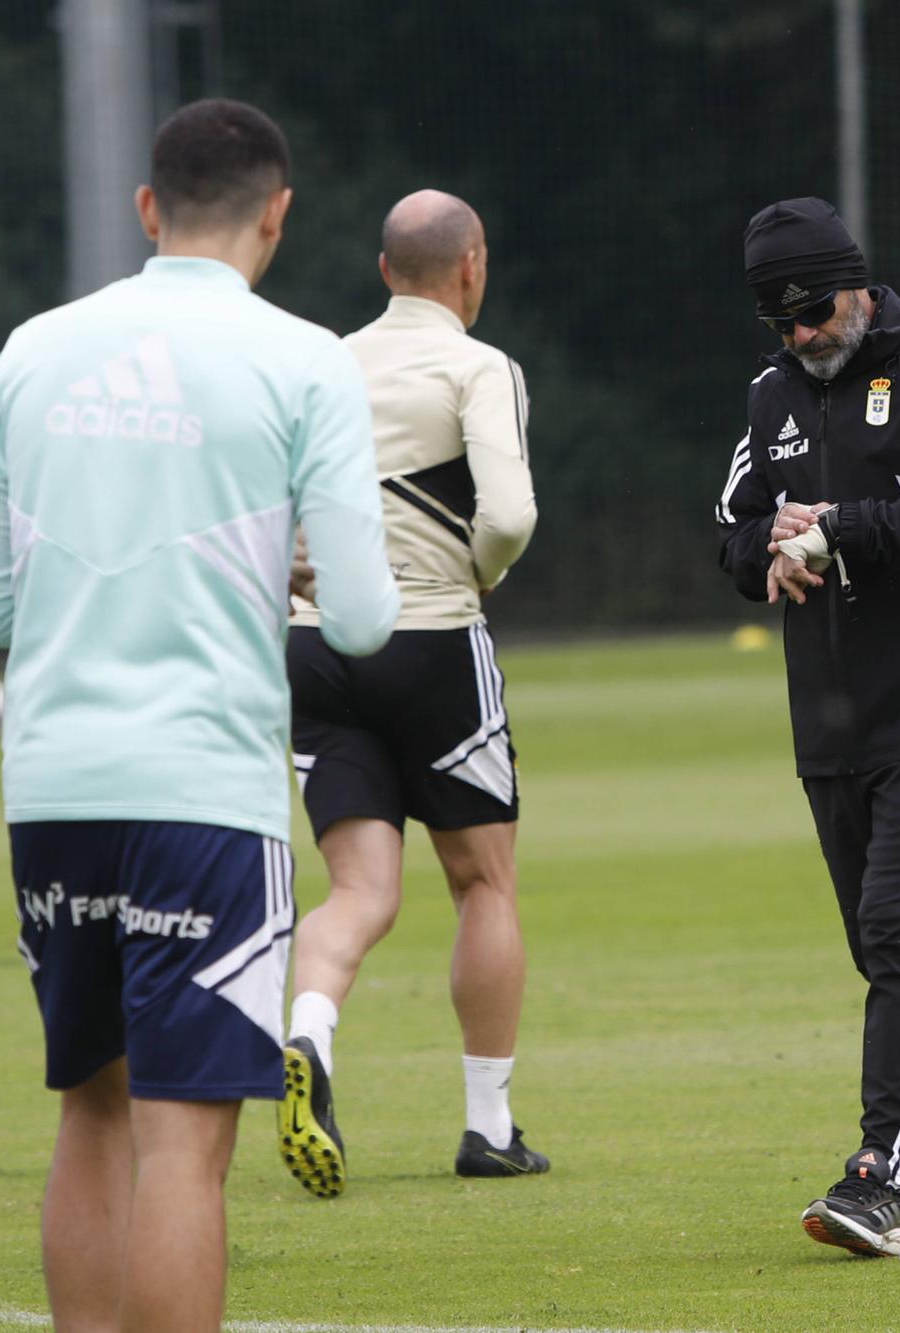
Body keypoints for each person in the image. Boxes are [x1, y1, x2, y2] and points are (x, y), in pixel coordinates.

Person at [0, 98, 397, 1331]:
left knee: (89, 1113)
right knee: (185, 1148)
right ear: (278, 213)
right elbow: (361, 622)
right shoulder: (305, 357)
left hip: (52, 788)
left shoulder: (32, 346)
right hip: (203, 792)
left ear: (146, 210)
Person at [715, 197, 900, 1258]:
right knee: (890, 951)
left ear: (855, 282)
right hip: (828, 725)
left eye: (810, 312)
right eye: (777, 321)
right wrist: (771, 547)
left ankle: (876, 1174)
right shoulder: (770, 396)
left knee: (898, 934)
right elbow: (731, 526)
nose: (798, 336)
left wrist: (839, 531)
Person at [279, 191, 545, 1197]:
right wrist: (477, 570)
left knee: (357, 892)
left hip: (314, 650)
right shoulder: (477, 366)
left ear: (383, 270)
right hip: (431, 642)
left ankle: (310, 1037)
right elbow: (509, 512)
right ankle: (489, 1125)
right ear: (470, 265)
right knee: (482, 882)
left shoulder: (320, 363)